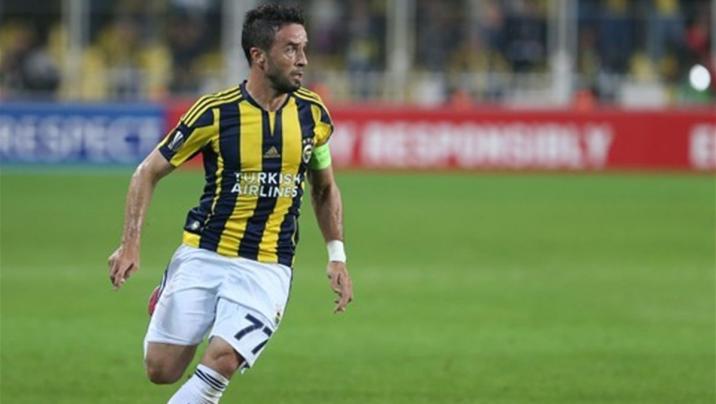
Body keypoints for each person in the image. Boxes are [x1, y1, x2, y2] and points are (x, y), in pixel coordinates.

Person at [107, 4, 353, 403]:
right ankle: (169, 292)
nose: (303, 60)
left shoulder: (313, 115)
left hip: (267, 266)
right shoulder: (215, 112)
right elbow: (146, 172)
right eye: (291, 49)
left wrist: (336, 255)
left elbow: (324, 188)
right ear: (259, 56)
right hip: (204, 252)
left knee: (221, 361)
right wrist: (130, 243)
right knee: (161, 370)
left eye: (304, 48)